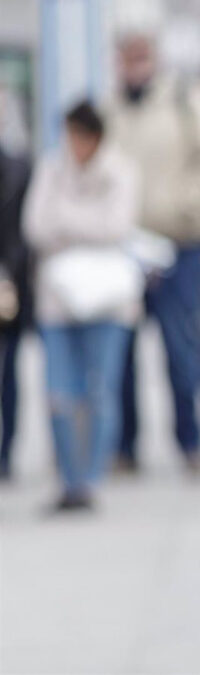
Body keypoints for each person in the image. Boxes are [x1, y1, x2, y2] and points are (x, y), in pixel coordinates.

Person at [106, 31, 200, 471]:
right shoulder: (111, 107)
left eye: (140, 55)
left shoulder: (187, 98)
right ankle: (125, 447)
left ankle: (190, 440)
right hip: (125, 247)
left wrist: (187, 208)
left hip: (179, 243)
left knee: (182, 343)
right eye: (127, 57)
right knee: (120, 351)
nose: (134, 65)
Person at [22, 101, 141, 510]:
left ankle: (91, 479)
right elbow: (35, 226)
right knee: (58, 391)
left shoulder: (120, 170)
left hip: (108, 301)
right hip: (57, 300)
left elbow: (117, 227)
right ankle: (69, 481)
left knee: (100, 389)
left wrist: (67, 223)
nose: (73, 144)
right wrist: (87, 226)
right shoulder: (50, 169)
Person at [0, 141, 31, 481]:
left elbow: (25, 232)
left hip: (10, 286)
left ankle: (6, 451)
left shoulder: (17, 166)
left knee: (9, 373)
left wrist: (8, 273)